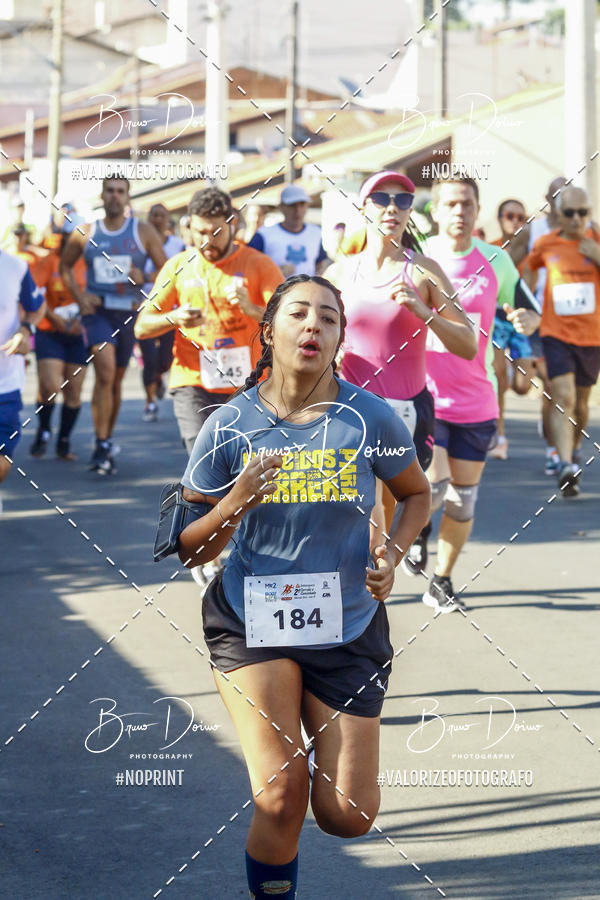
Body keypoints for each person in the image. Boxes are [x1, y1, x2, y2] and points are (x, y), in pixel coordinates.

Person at [175, 274, 431, 900]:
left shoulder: (367, 416)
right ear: (269, 330)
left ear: (341, 336)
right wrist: (235, 500)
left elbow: (417, 494)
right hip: (251, 622)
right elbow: (190, 546)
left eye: (329, 317)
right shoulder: (229, 424)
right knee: (282, 797)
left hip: (348, 622)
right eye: (298, 313)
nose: (313, 325)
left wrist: (392, 554)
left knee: (348, 814)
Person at [135, 187, 283, 584]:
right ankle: (209, 556)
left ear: (231, 226)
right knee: (205, 467)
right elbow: (141, 326)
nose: (206, 241)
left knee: (249, 471)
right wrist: (175, 317)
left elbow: (285, 321)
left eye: (215, 232)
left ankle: (242, 545)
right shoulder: (179, 266)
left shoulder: (257, 264)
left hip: (249, 384)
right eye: (198, 232)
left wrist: (251, 309)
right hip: (193, 382)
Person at [325, 170, 477, 555]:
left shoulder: (423, 270)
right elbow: (313, 332)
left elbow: (468, 345)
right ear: (363, 207)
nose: (392, 207)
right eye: (381, 198)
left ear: (411, 211)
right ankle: (361, 597)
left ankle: (377, 586)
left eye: (403, 200)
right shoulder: (339, 272)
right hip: (351, 410)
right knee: (364, 508)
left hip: (407, 412)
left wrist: (424, 311)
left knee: (387, 511)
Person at [410, 177, 539, 611]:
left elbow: (530, 311)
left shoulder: (496, 260)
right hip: (424, 395)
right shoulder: (417, 259)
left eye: (466, 204)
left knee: (463, 500)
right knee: (433, 484)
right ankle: (415, 532)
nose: (459, 212)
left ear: (477, 209)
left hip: (476, 398)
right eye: (450, 204)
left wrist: (525, 320)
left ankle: (441, 580)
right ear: (436, 212)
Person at [60, 176, 167, 474]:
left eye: (121, 191)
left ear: (128, 196)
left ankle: (105, 439)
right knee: (105, 370)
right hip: (98, 313)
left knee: (115, 380)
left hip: (128, 314)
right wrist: (80, 298)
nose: (115, 196)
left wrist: (143, 278)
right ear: (102, 195)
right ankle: (101, 441)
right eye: (110, 191)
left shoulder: (142, 231)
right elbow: (64, 266)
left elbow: (168, 270)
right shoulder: (87, 231)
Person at [522, 185, 600, 497]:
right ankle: (566, 465)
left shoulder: (596, 241)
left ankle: (573, 446)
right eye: (570, 213)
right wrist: (528, 305)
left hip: (591, 336)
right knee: (563, 396)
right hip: (556, 333)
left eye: (583, 213)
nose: (577, 219)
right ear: (558, 214)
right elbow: (529, 269)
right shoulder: (546, 244)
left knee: (581, 404)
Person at [29, 226, 88, 460]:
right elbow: (35, 295)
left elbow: (95, 295)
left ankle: (64, 440)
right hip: (50, 331)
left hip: (78, 333)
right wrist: (56, 320)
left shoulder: (87, 263)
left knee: (73, 391)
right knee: (51, 387)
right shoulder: (49, 261)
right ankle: (44, 430)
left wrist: (81, 321)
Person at [525, 177, 569, 474]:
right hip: (542, 319)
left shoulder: (585, 232)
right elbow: (512, 264)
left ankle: (563, 442)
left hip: (576, 322)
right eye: (557, 195)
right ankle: (557, 452)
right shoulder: (534, 230)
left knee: (574, 396)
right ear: (548, 198)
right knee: (553, 385)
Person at [489, 199, 536, 460]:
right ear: (500, 218)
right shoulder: (492, 248)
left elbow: (530, 288)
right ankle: (499, 434)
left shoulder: (533, 251)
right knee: (498, 378)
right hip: (494, 318)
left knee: (522, 386)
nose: (516, 221)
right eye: (510, 215)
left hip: (520, 319)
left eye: (521, 217)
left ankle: (510, 371)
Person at [0, 248, 45, 511]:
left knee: (2, 465)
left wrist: (25, 330)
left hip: (5, 384)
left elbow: (37, 306)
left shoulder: (16, 267)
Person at [139, 203, 186, 422]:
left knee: (166, 359)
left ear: (168, 219)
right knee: (148, 359)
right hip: (145, 308)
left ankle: (159, 376)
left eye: (162, 216)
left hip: (172, 310)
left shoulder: (178, 245)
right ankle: (149, 403)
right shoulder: (141, 243)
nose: (158, 219)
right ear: (149, 218)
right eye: (154, 215)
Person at [249, 184, 328, 277]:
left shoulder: (315, 233)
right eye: (292, 205)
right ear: (281, 207)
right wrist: (275, 272)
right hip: (273, 290)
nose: (297, 210)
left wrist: (317, 279)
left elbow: (320, 263)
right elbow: (248, 266)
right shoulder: (263, 235)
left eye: (302, 204)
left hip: (307, 290)